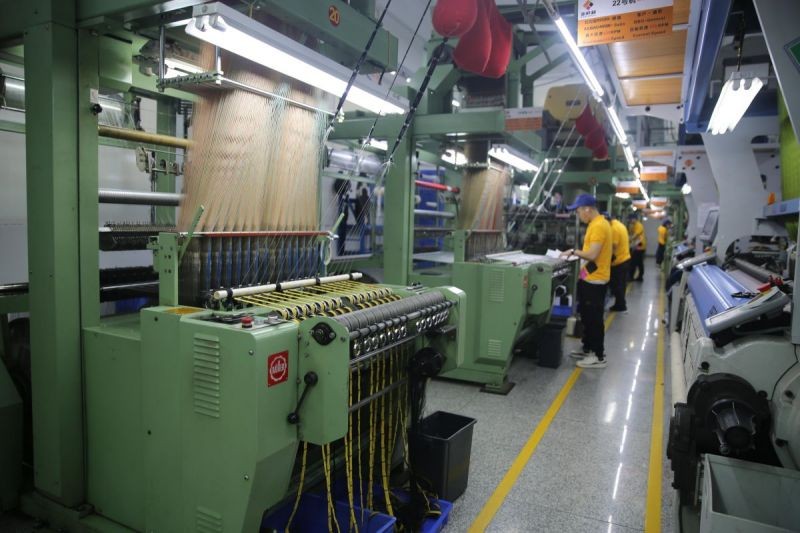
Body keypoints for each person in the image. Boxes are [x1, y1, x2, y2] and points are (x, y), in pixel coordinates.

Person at [561, 194, 613, 369]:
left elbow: (592, 255)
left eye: (578, 211)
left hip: (596, 281)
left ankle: (598, 356)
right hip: (590, 278)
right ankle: (588, 349)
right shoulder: (595, 224)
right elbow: (592, 260)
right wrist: (581, 274)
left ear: (587, 209)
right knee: (586, 315)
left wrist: (572, 252)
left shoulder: (599, 226)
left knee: (593, 319)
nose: (578, 215)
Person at [607, 212, 631, 312]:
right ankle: (620, 303)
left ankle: (620, 305)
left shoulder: (614, 228)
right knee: (621, 284)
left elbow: (613, 246)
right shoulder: (620, 225)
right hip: (624, 259)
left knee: (617, 285)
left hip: (619, 261)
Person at [628, 212, 646, 281]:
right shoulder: (634, 225)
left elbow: (635, 235)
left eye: (630, 219)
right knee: (638, 262)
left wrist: (628, 240)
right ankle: (639, 277)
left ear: (634, 219)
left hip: (639, 246)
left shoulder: (638, 225)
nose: (629, 221)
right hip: (637, 246)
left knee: (634, 262)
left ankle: (632, 277)